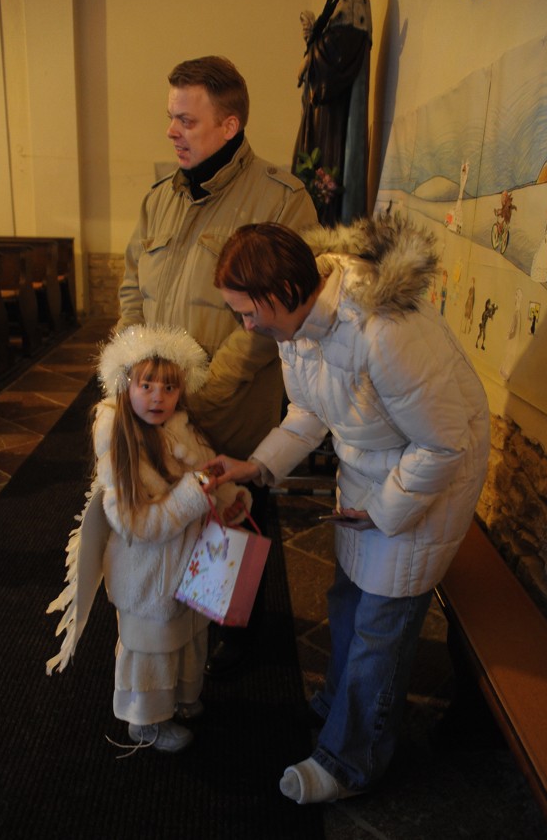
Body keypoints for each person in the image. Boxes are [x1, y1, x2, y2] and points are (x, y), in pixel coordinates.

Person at [201, 218, 490, 802]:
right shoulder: (298, 326)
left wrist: (382, 511)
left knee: (381, 625)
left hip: (427, 481)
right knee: (347, 598)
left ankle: (352, 759)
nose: (247, 326)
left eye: (248, 312)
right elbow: (309, 412)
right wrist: (255, 466)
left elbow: (444, 443)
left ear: (283, 291)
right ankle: (337, 703)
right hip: (371, 468)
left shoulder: (383, 329)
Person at [117, 56, 318, 676]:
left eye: (186, 119)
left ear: (229, 126)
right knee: (170, 527)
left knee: (231, 527)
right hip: (157, 408)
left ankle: (232, 647)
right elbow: (131, 286)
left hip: (228, 411)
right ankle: (180, 636)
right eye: (170, 117)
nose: (171, 131)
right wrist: (135, 370)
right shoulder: (160, 199)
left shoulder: (282, 200)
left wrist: (203, 391)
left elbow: (274, 317)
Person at [46, 325, 251, 753]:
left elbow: (206, 470)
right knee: (151, 651)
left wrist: (229, 499)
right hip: (148, 578)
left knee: (190, 637)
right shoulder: (120, 444)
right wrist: (194, 495)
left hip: (189, 563)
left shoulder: (181, 428)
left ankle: (183, 697)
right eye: (147, 386)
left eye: (169, 387)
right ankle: (146, 720)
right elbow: (137, 526)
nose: (158, 397)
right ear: (126, 385)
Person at [293, 0, 372, 225]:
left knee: (326, 166)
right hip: (322, 103)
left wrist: (310, 59)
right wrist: (313, 36)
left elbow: (340, 53)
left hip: (333, 109)